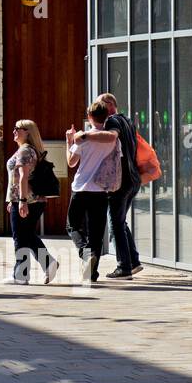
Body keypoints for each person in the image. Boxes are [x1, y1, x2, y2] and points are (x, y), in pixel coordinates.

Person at [67, 102, 124, 285]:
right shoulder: (112, 139)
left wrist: (69, 141)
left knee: (72, 225)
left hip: (81, 188)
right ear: (106, 116)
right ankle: (92, 273)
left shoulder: (83, 138)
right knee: (97, 232)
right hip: (101, 190)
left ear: (89, 117)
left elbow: (71, 162)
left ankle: (85, 253)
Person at [91, 92, 145, 279]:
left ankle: (124, 267)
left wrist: (85, 136)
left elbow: (112, 137)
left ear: (108, 105)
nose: (97, 110)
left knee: (115, 222)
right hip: (133, 179)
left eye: (99, 105)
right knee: (120, 221)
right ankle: (134, 261)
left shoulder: (113, 121)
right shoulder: (127, 120)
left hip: (120, 181)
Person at [6, 119, 59, 285]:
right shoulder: (29, 150)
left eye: (18, 129)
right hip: (30, 200)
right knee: (27, 235)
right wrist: (12, 200)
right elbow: (16, 179)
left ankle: (21, 275)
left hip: (27, 200)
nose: (14, 131)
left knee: (20, 238)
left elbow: (23, 177)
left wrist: (21, 201)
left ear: (27, 132)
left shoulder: (25, 151)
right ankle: (48, 264)